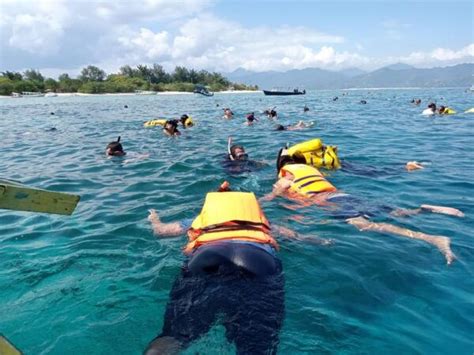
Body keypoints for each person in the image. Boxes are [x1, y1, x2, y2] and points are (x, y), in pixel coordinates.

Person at [145, 183, 326, 354]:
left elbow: (161, 232)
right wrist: (324, 241)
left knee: (174, 337)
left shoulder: (199, 220)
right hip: (256, 259)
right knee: (257, 347)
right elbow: (297, 237)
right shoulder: (260, 222)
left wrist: (154, 219)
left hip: (207, 257)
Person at [261, 151, 464, 265]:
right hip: (343, 195)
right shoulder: (309, 168)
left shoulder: (285, 174)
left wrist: (263, 200)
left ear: (280, 165)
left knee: (363, 225)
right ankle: (421, 210)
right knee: (396, 212)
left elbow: (281, 189)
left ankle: (433, 238)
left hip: (329, 201)